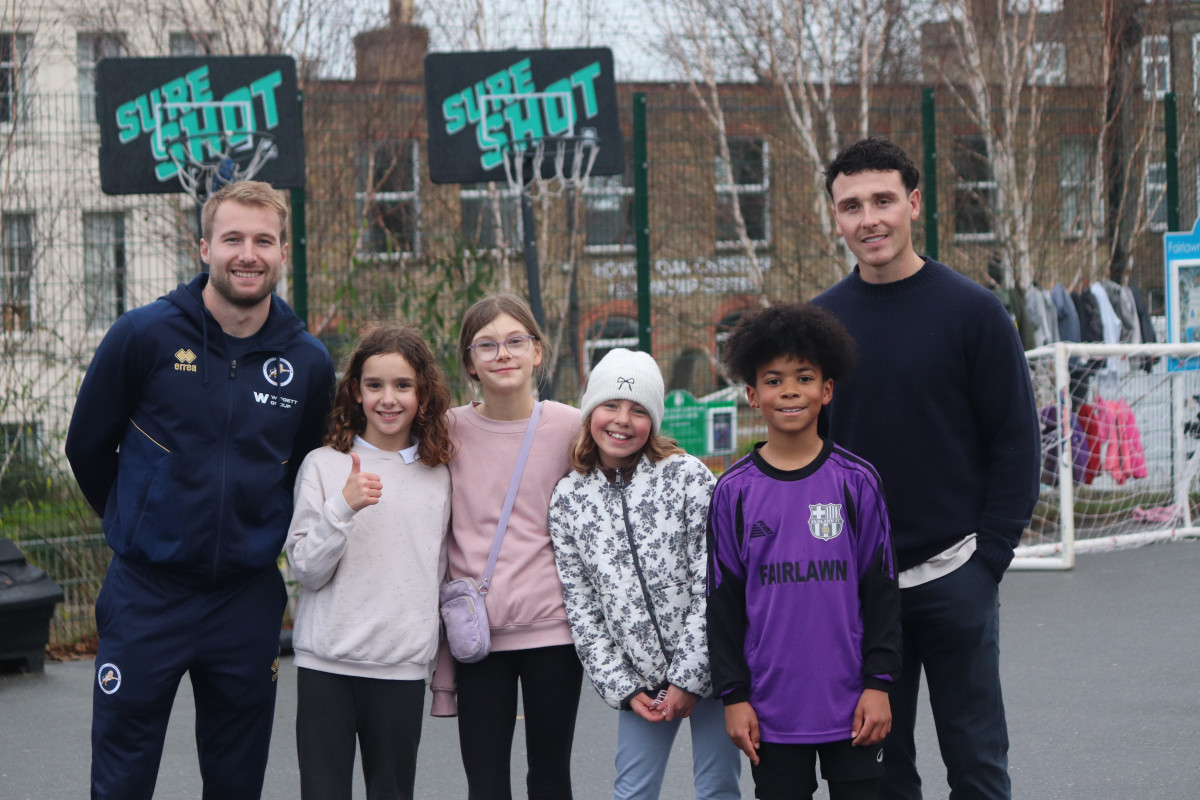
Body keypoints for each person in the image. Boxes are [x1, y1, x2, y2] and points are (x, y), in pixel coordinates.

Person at [64, 180, 336, 800]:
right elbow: (87, 447)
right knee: (121, 776)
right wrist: (138, 521)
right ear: (203, 247)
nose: (248, 253)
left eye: (263, 240)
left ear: (283, 252)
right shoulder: (144, 335)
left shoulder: (309, 362)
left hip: (245, 600)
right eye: (233, 238)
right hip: (146, 594)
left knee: (237, 781)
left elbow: (306, 471)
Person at [811, 137, 1040, 800]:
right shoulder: (822, 323)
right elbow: (809, 456)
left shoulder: (974, 312)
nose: (869, 218)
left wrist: (987, 560)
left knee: (976, 762)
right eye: (851, 206)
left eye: (883, 200)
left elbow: (1015, 443)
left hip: (954, 574)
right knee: (882, 772)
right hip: (858, 590)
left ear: (913, 203)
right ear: (836, 218)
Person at [707, 302, 902, 800]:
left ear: (827, 390)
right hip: (771, 713)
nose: (789, 390)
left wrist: (879, 685)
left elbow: (880, 591)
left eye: (804, 377)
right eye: (773, 380)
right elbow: (723, 605)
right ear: (752, 395)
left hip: (854, 706)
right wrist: (735, 697)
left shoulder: (857, 482)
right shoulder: (733, 491)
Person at [548, 348, 742, 800]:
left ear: (653, 421)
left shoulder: (688, 478)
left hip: (713, 667)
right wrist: (623, 686)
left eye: (638, 410)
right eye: (610, 405)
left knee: (717, 788)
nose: (621, 420)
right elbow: (582, 609)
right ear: (590, 410)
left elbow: (713, 583)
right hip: (640, 684)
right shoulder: (569, 499)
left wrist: (689, 679)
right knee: (632, 792)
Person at [286, 324, 453, 800]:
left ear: (423, 393)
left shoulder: (438, 474)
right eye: (375, 385)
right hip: (326, 667)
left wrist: (438, 666)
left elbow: (438, 573)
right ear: (355, 391)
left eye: (403, 385)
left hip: (399, 669)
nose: (388, 398)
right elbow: (307, 569)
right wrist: (343, 507)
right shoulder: (323, 465)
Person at [431, 293, 583, 799]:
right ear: (470, 363)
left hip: (554, 634)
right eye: (487, 344)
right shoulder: (446, 431)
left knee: (550, 777)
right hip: (479, 638)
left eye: (516, 341)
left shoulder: (569, 426)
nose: (503, 354)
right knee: (486, 783)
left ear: (538, 352)